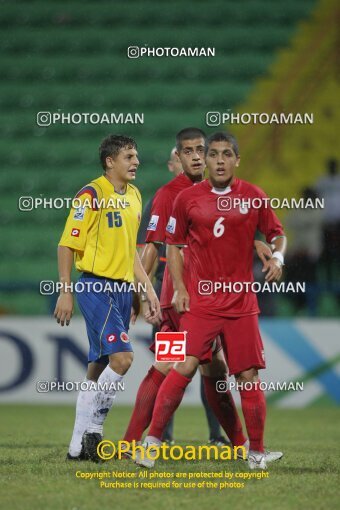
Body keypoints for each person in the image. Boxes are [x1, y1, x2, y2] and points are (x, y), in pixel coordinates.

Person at [138, 131, 287, 470]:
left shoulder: (252, 196)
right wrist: (176, 289)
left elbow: (273, 234)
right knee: (179, 365)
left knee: (239, 374)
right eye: (212, 154)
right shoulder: (179, 197)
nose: (219, 160)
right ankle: (149, 442)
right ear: (203, 160)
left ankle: (253, 450)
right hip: (196, 302)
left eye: (226, 154)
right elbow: (167, 246)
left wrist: (275, 256)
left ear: (237, 159)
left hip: (240, 303)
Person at [55, 134, 160, 462]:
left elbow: (130, 253)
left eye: (136, 156)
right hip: (95, 287)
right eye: (129, 156)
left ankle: (76, 446)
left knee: (98, 366)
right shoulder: (91, 193)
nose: (136, 162)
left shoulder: (136, 196)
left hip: (121, 289)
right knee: (123, 359)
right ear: (110, 162)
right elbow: (66, 245)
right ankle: (94, 432)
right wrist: (65, 289)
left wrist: (146, 290)